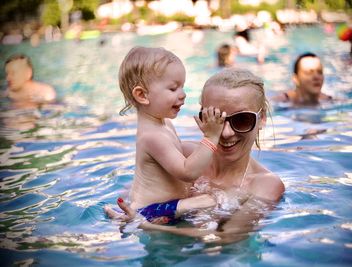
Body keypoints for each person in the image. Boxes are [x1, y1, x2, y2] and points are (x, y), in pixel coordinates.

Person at [106, 68, 285, 243]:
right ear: (202, 117)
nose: (227, 133)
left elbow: (227, 238)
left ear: (261, 119)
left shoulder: (265, 185)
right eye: (216, 119)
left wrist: (145, 226)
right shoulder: (181, 156)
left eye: (242, 120)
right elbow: (134, 196)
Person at [105, 46, 227, 225]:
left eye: (182, 87)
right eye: (173, 89)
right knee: (211, 201)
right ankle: (133, 220)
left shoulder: (164, 124)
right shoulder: (152, 136)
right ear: (142, 95)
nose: (183, 94)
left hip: (165, 206)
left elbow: (177, 165)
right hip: (150, 211)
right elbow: (188, 171)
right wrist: (210, 138)